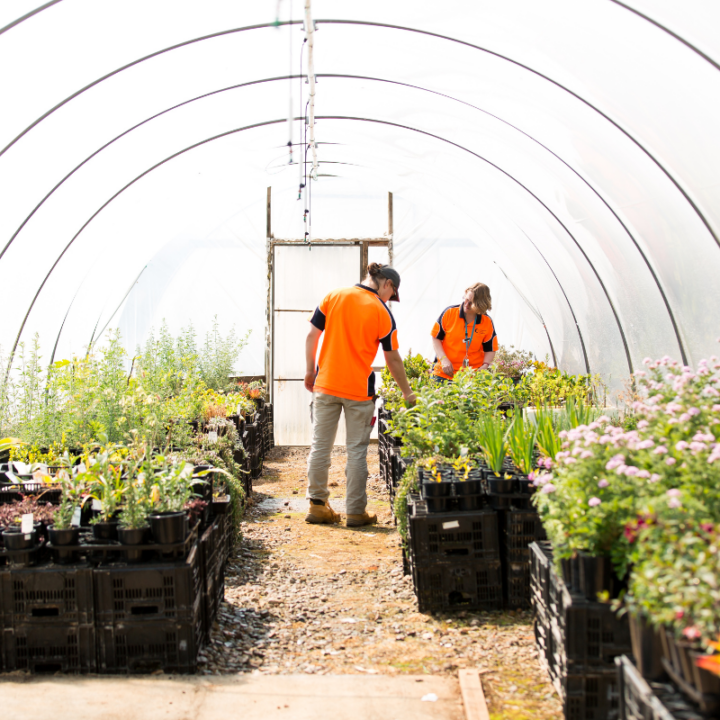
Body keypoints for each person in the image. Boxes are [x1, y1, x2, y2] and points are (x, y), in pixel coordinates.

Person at [304, 263, 416, 527]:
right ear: (387, 283)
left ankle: (317, 506)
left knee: (320, 446)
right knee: (356, 451)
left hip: (326, 384)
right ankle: (355, 511)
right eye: (392, 293)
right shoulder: (382, 312)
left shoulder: (334, 296)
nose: (390, 299)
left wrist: (310, 371)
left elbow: (311, 335)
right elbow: (392, 359)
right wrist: (408, 393)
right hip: (358, 391)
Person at [431, 283, 498, 381]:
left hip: (472, 377)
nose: (466, 304)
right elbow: (435, 337)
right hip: (443, 374)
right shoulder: (449, 313)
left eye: (471, 303)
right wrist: (443, 359)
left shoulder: (486, 321)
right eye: (466, 299)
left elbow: (490, 348)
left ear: (480, 305)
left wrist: (485, 365)